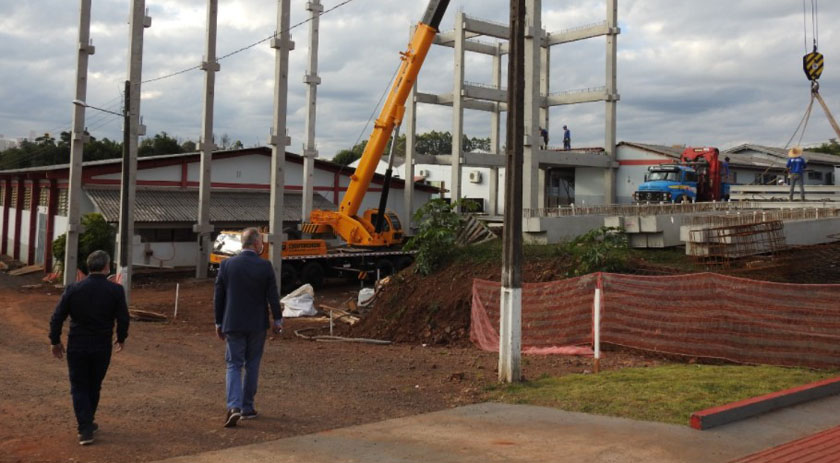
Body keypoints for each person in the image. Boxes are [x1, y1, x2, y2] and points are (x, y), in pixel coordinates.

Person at [49, 250, 130, 446]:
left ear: (88, 266)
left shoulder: (73, 289)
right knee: (94, 385)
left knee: (78, 385)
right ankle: (87, 423)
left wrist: (55, 341)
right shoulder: (115, 290)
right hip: (101, 346)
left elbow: (57, 316)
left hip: (77, 344)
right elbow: (123, 317)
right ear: (106, 267)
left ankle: (85, 427)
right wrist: (121, 338)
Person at [214, 228, 283, 428]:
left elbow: (219, 296)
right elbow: (273, 295)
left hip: (233, 323)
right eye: (261, 242)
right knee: (252, 364)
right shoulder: (265, 266)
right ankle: (247, 407)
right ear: (256, 244)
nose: (262, 245)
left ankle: (233, 407)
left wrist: (219, 322)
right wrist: (277, 320)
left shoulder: (226, 265)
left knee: (234, 364)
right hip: (257, 324)